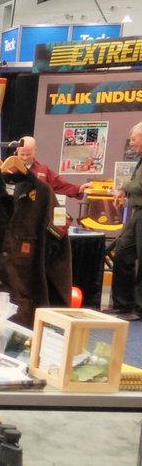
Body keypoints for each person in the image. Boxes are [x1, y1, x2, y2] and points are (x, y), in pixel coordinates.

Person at [110, 122, 142, 320]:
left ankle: (139, 309)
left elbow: (140, 185)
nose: (131, 143)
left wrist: (122, 187)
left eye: (134, 139)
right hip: (138, 212)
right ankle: (123, 305)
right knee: (122, 254)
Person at [17, 136, 91, 200]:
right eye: (22, 154)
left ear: (35, 150)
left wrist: (79, 189)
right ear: (17, 150)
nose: (25, 157)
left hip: (36, 213)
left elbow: (61, 186)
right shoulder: (9, 168)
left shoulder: (43, 170)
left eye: (28, 154)